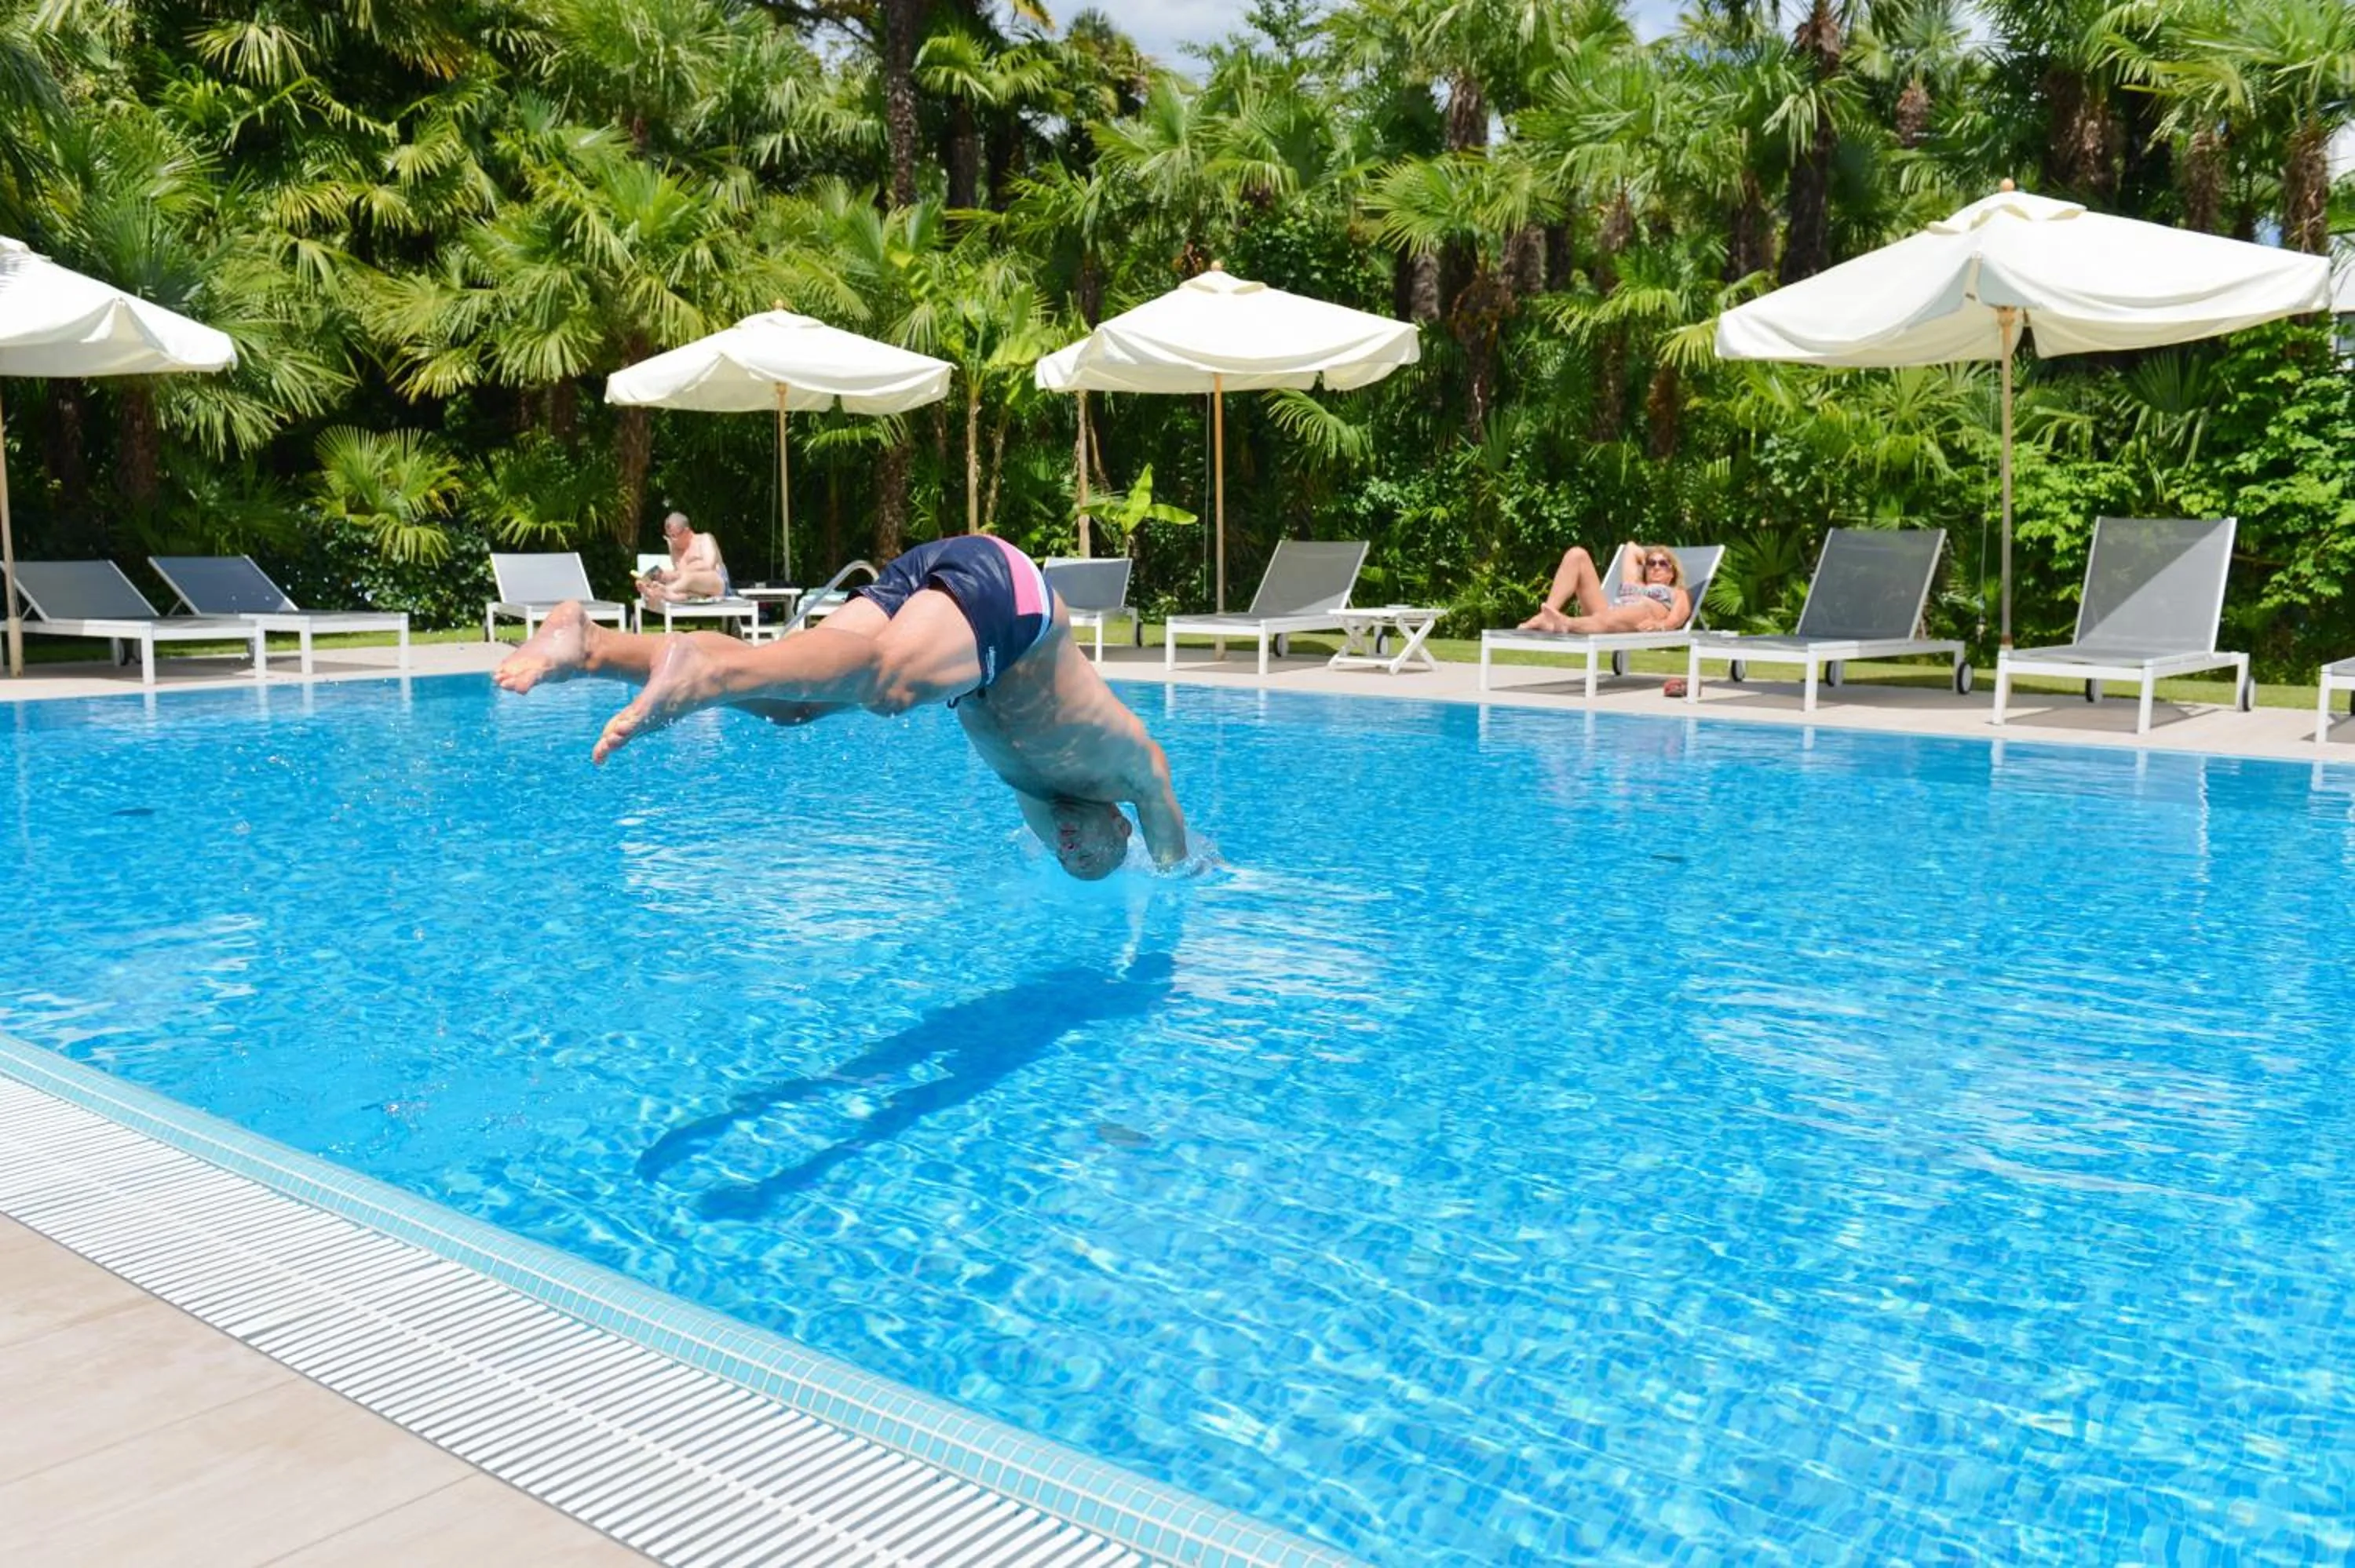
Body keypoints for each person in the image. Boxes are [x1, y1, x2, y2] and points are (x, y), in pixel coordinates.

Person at [495, 534, 1189, 881]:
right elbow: (1169, 833)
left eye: (1066, 859)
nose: (1069, 849)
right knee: (889, 688)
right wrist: (1179, 871)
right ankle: (707, 669)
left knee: (792, 705)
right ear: (1120, 824)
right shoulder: (1126, 766)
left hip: (959, 605)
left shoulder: (1043, 802)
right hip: (1011, 599)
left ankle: (590, 646)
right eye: (1088, 853)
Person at [1517, 542, 1691, 634]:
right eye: (1652, 563)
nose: (1656, 567)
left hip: (1642, 614)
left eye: (1663, 563)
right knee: (1577, 554)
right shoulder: (1634, 582)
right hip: (1609, 613)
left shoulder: (1677, 591)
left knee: (1620, 614)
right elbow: (1631, 548)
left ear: (1672, 573)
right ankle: (1548, 613)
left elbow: (1678, 617)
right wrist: (1649, 558)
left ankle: (1566, 624)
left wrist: (1660, 625)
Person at [638, 511, 728, 605]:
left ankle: (664, 591)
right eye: (669, 536)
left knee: (689, 577)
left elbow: (708, 566)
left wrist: (675, 574)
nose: (672, 540)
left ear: (686, 531)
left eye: (674, 536)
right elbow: (680, 574)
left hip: (718, 582)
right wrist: (660, 576)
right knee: (662, 577)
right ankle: (656, 591)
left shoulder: (704, 539)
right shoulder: (674, 547)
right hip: (695, 590)